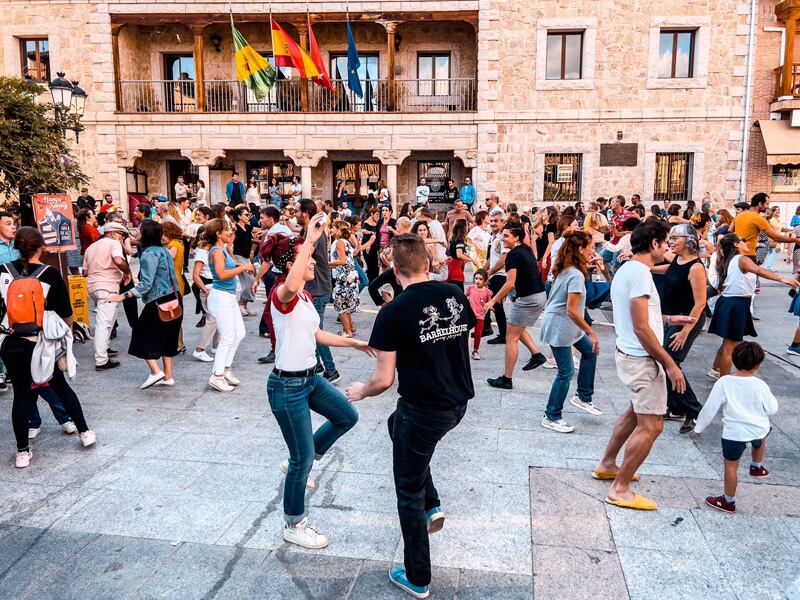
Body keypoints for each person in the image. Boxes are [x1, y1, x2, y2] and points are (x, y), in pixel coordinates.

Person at [346, 233, 476, 600]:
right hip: (457, 402)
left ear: (393, 268)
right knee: (395, 428)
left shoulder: (394, 311)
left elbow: (383, 379)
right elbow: (460, 338)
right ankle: (431, 503)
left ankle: (417, 576)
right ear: (429, 263)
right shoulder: (453, 292)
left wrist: (360, 391)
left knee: (407, 490)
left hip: (423, 410)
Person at [264, 214, 372, 549]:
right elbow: (291, 283)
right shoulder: (282, 294)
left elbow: (316, 333)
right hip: (287, 388)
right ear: (292, 261)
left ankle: (300, 457)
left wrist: (355, 342)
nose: (313, 261)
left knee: (346, 416)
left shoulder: (307, 298)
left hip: (311, 379)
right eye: (307, 258)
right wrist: (308, 240)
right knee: (302, 460)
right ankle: (294, 523)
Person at [594, 219, 694, 511]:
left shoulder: (629, 270)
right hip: (641, 358)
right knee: (652, 426)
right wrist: (670, 365)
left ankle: (607, 463)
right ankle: (620, 488)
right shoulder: (639, 274)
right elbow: (640, 327)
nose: (668, 247)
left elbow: (639, 316)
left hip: (630, 353)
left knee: (635, 413)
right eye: (666, 242)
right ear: (654, 243)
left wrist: (669, 319)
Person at [0, 227, 96, 468]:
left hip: (11, 343)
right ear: (41, 246)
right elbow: (66, 313)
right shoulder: (50, 274)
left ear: (17, 246)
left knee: (21, 396)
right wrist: (67, 336)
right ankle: (84, 432)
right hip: (41, 342)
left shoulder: (2, 271)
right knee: (59, 386)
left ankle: (22, 452)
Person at [694, 342, 777, 514]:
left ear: (733, 359)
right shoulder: (760, 385)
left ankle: (728, 501)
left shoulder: (724, 382)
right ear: (758, 365)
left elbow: (710, 407)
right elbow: (772, 409)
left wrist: (699, 427)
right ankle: (757, 466)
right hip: (757, 428)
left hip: (734, 433)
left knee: (731, 467)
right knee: (761, 435)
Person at [708, 233, 799, 377]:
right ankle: (724, 381)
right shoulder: (741, 259)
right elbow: (759, 270)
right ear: (737, 244)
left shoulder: (728, 259)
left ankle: (715, 369)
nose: (746, 243)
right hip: (735, 303)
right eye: (742, 240)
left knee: (728, 342)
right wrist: (782, 278)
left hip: (731, 302)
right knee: (730, 346)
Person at [539, 230, 601, 433]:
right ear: (581, 249)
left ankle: (583, 396)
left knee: (590, 352)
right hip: (561, 325)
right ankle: (551, 415)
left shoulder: (569, 268)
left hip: (564, 323)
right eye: (591, 247)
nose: (593, 251)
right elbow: (572, 310)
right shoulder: (575, 274)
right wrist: (590, 331)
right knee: (565, 372)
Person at [108, 221, 182, 389]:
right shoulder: (164, 250)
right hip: (174, 298)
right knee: (168, 337)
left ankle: (156, 372)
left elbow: (146, 284)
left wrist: (123, 296)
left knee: (140, 333)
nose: (137, 235)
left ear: (146, 234)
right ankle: (168, 376)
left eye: (140, 232)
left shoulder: (149, 254)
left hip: (158, 300)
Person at [657, 224, 707, 434]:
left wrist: (686, 331)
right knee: (665, 361)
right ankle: (676, 408)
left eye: (675, 238)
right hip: (672, 319)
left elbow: (700, 303)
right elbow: (670, 270)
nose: (670, 241)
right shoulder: (677, 259)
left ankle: (695, 411)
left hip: (687, 320)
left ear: (689, 241)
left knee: (670, 362)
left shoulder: (696, 267)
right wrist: (642, 265)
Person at [486, 222, 548, 389]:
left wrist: (493, 299)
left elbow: (510, 283)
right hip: (538, 295)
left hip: (528, 299)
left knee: (510, 337)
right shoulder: (525, 250)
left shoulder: (513, 254)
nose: (503, 238)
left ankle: (506, 379)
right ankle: (536, 355)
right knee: (516, 328)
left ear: (516, 237)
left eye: (506, 236)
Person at [296, 199, 339, 383]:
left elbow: (304, 255)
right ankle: (318, 365)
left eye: (298, 211)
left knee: (315, 331)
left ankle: (332, 371)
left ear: (305, 213)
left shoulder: (315, 234)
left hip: (319, 288)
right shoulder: (308, 231)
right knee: (311, 328)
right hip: (315, 287)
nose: (295, 214)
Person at [83, 222, 131, 370]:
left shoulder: (91, 247)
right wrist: (127, 271)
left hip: (92, 287)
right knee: (103, 323)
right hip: (107, 287)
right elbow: (118, 260)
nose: (122, 239)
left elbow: (84, 272)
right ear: (113, 233)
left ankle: (105, 347)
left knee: (111, 316)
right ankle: (101, 360)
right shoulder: (113, 243)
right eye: (121, 236)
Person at [731, 193, 795, 260]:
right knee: (758, 269)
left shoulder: (739, 216)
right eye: (767, 204)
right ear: (760, 204)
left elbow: (729, 232)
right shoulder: (758, 219)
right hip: (748, 254)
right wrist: (796, 240)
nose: (768, 207)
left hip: (736, 253)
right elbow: (776, 237)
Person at [329, 220, 360, 337]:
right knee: (345, 304)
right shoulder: (345, 241)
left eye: (332, 227)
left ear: (338, 229)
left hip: (345, 277)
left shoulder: (339, 242)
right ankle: (350, 328)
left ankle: (347, 332)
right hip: (350, 276)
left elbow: (342, 260)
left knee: (341, 304)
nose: (331, 229)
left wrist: (326, 264)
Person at [481, 209, 508, 343]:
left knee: (496, 304)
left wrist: (489, 272)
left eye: (496, 221)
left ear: (503, 222)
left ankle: (502, 334)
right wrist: (483, 270)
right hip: (494, 274)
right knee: (489, 301)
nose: (492, 223)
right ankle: (487, 328)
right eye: (491, 221)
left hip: (501, 275)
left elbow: (503, 260)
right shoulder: (494, 236)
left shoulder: (504, 237)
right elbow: (492, 258)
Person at [191, 226, 216, 362]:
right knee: (212, 318)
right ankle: (200, 349)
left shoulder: (213, 249)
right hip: (207, 287)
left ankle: (215, 346)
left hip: (214, 286)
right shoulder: (202, 252)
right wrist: (206, 290)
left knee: (216, 318)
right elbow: (196, 275)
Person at [231, 206, 256, 317]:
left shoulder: (247, 227)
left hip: (246, 258)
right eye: (246, 214)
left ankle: (244, 306)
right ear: (239, 216)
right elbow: (228, 246)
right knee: (249, 282)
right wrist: (234, 260)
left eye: (248, 214)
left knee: (251, 282)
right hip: (239, 257)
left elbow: (259, 230)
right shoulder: (235, 228)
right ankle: (240, 305)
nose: (248, 216)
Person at [446, 219, 480, 291]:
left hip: (451, 267)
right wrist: (472, 260)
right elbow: (459, 255)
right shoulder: (460, 240)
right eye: (467, 226)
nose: (468, 228)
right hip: (456, 270)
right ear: (464, 228)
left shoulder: (453, 238)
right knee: (459, 292)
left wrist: (467, 256)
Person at [466, 268, 492, 360]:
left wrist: (490, 307)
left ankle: (475, 351)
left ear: (485, 280)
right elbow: (464, 298)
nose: (478, 281)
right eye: (476, 278)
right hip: (469, 315)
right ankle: (464, 350)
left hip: (480, 316)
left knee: (478, 334)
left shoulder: (487, 292)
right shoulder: (470, 289)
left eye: (480, 279)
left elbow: (489, 303)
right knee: (465, 333)